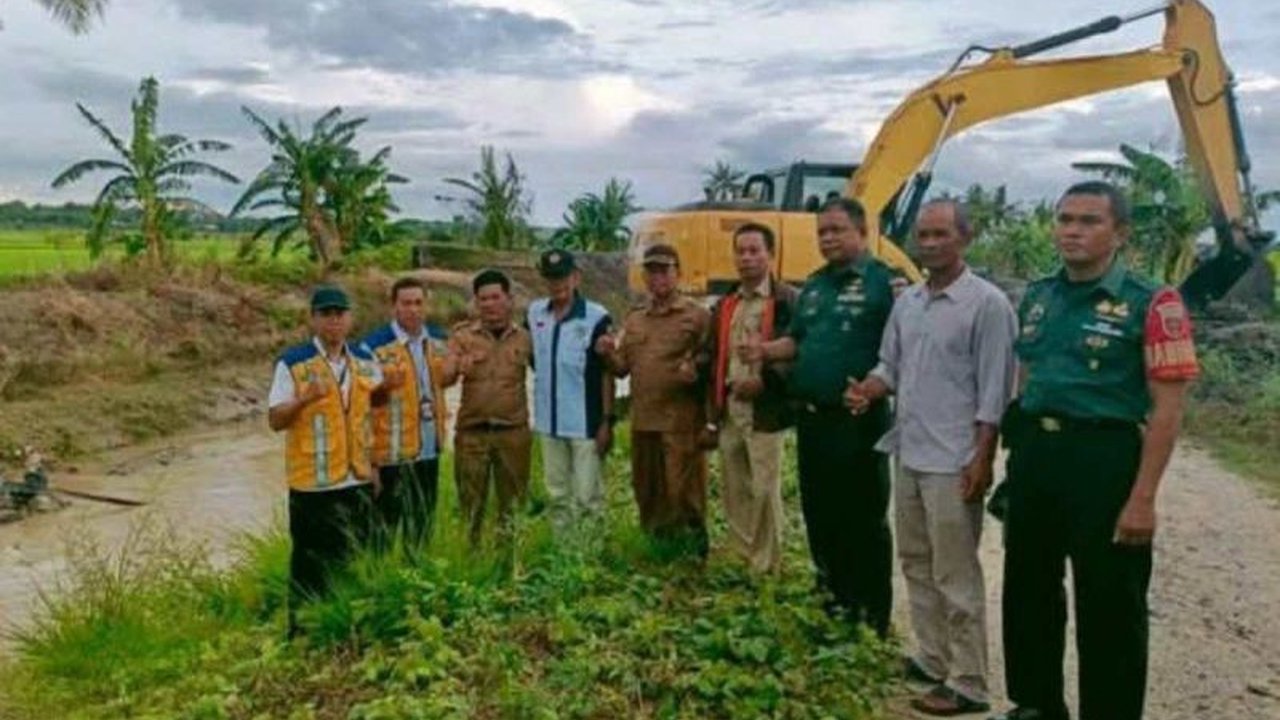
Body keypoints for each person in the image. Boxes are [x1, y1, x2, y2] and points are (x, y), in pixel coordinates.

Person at [990, 181, 1199, 720]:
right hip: (1038, 455)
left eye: (1088, 221)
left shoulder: (1152, 301)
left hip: (1104, 461)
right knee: (1028, 588)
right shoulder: (1040, 295)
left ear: (1120, 233)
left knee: (1109, 603)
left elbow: (1167, 408)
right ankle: (1036, 704)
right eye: (1064, 219)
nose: (1071, 231)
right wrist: (1016, 462)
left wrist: (1143, 499)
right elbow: (1028, 376)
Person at [847, 200, 1017, 715]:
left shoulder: (987, 305)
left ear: (965, 239)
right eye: (924, 234)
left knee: (955, 573)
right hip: (911, 451)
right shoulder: (911, 302)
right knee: (916, 562)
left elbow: (995, 390)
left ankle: (968, 682)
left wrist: (982, 459)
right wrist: (870, 390)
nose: (930, 243)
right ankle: (932, 657)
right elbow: (890, 365)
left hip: (954, 460)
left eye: (941, 234)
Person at [740, 197, 896, 637]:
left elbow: (902, 351)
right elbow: (797, 342)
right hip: (813, 421)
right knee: (821, 515)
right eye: (822, 231)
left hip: (858, 421)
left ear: (862, 233)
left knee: (863, 519)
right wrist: (764, 351)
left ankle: (870, 617)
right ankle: (833, 602)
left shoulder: (883, 285)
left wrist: (878, 386)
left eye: (837, 230)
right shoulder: (814, 287)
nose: (827, 238)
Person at [267, 285, 396, 635]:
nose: (334, 320)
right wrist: (304, 399)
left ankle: (346, 622)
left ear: (350, 318)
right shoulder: (293, 363)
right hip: (312, 481)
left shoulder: (364, 361)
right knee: (309, 560)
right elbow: (276, 420)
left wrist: (375, 465)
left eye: (340, 313)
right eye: (326, 314)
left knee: (354, 553)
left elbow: (372, 410)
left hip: (356, 477)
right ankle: (302, 629)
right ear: (313, 319)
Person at [597, 243, 711, 555]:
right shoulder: (635, 320)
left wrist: (696, 372)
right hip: (643, 419)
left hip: (681, 421)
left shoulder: (697, 317)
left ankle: (694, 547)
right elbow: (622, 369)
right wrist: (607, 354)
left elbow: (711, 361)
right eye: (652, 271)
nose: (658, 277)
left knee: (684, 489)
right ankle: (657, 545)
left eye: (665, 270)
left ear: (678, 274)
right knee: (647, 487)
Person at [705, 222, 797, 574]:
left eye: (754, 251)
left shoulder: (786, 300)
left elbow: (796, 352)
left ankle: (766, 564)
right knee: (734, 486)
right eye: (740, 251)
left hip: (765, 411)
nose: (746, 258)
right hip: (730, 407)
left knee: (764, 488)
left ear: (770, 255)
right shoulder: (728, 303)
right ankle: (741, 554)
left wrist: (766, 382)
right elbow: (715, 353)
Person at [527, 249, 616, 538]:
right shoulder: (534, 313)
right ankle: (564, 553)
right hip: (548, 422)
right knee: (557, 493)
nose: (558, 284)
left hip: (585, 423)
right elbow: (530, 357)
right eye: (551, 278)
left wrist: (606, 421)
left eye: (563, 277)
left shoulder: (596, 316)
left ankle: (590, 558)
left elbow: (606, 372)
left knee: (588, 495)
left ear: (576, 277)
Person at [443, 269, 534, 547]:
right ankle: (472, 567)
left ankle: (510, 565)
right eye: (483, 299)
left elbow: (549, 373)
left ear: (509, 299)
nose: (489, 304)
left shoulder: (526, 338)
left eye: (496, 297)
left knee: (513, 506)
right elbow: (444, 378)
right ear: (476, 302)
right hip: (473, 435)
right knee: (471, 507)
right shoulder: (462, 337)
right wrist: (457, 367)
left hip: (513, 435)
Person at [360, 276, 449, 546]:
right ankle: (381, 584)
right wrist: (369, 464)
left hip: (428, 451)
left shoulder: (438, 340)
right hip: (390, 457)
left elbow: (443, 382)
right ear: (394, 307)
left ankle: (417, 583)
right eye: (406, 303)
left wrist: (459, 369)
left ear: (426, 305)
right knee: (383, 533)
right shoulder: (372, 347)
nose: (413, 309)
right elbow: (360, 408)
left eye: (418, 303)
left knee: (422, 529)